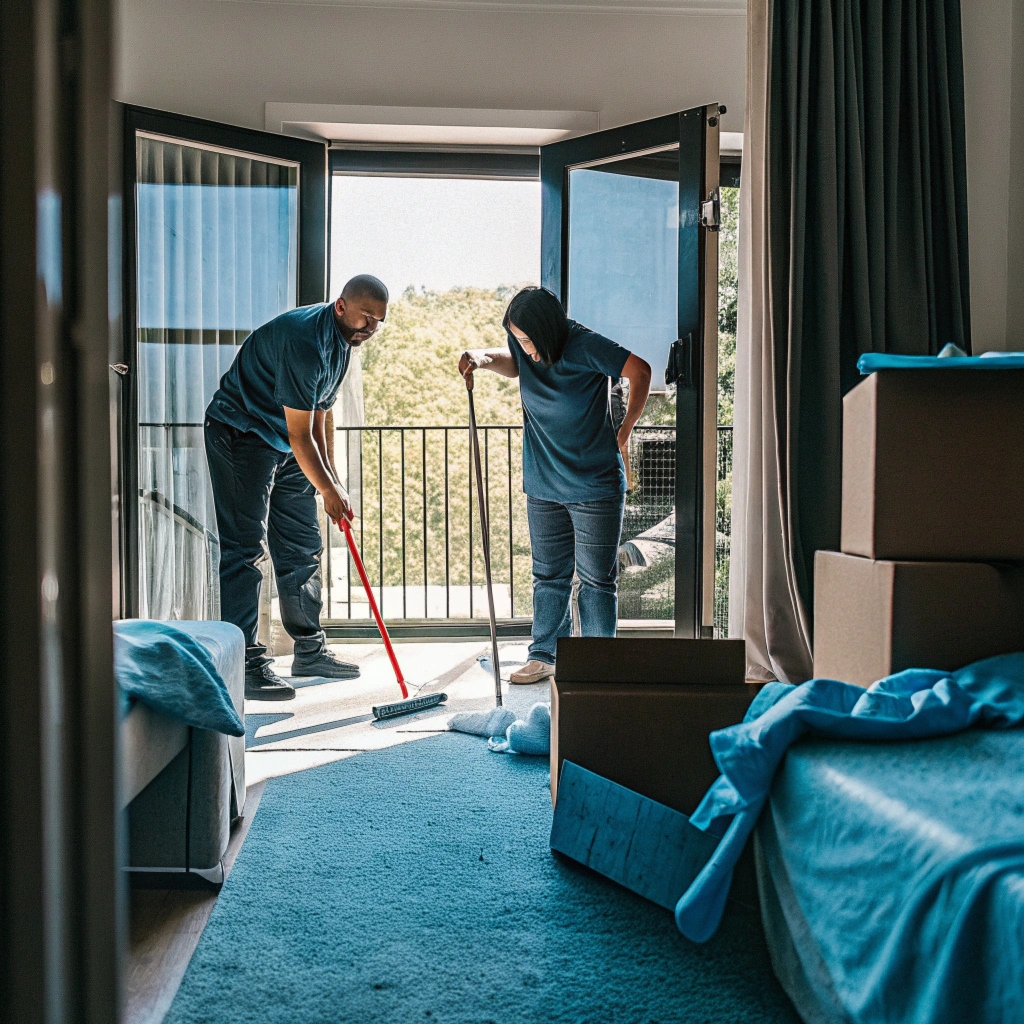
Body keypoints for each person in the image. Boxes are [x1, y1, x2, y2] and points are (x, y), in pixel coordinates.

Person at [204, 275, 388, 700]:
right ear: (341, 306)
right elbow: (302, 435)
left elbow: (321, 416)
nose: (371, 328)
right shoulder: (304, 340)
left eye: (379, 321)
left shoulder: (343, 344)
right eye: (366, 317)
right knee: (245, 551)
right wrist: (328, 490)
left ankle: (309, 650)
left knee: (302, 545)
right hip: (242, 434)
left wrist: (333, 482)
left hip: (285, 442)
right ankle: (244, 664)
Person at [458, 287, 651, 683]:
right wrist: (482, 358)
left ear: (547, 332)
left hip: (594, 485)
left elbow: (640, 370)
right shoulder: (525, 350)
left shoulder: (584, 345)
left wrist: (626, 428)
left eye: (528, 339)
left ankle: (599, 664)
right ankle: (544, 655)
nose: (523, 347)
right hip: (543, 484)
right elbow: (514, 362)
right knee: (548, 576)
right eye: (517, 338)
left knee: (597, 580)